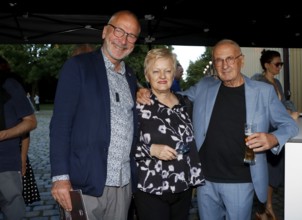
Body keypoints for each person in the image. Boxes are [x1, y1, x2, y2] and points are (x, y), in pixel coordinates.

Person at [137, 39, 299, 220]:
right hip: (205, 181)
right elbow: (171, 96)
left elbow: (289, 125)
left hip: (240, 180)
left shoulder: (263, 92)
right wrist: (143, 91)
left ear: (241, 60)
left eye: (230, 58)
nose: (224, 65)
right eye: (218, 60)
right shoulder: (205, 86)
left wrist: (273, 138)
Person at [49, 10, 141, 220]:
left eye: (131, 35)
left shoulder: (129, 75)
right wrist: (60, 178)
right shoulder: (78, 67)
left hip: (123, 183)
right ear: (105, 32)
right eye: (119, 31)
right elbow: (61, 125)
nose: (123, 39)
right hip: (85, 182)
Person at [134, 48, 205, 220]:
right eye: (156, 71)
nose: (162, 76)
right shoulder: (137, 106)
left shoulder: (185, 104)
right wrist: (151, 150)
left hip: (183, 187)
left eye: (167, 70)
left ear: (174, 74)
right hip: (151, 188)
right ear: (147, 75)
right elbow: (122, 143)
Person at [251, 49, 299, 220]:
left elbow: (285, 102)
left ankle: (266, 207)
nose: (280, 67)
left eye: (281, 64)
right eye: (277, 64)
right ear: (266, 65)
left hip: (276, 134)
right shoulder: (257, 82)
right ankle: (263, 209)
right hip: (265, 135)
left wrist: (289, 111)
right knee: (265, 174)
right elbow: (257, 109)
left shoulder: (277, 83)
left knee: (274, 174)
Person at [0, 56, 37, 219]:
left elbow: (30, 123)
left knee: (13, 211)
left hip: (6, 165)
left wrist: (4, 134)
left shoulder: (10, 86)